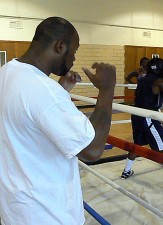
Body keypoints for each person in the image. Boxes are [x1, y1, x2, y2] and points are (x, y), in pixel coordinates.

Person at [0, 17, 116, 225]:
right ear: (60, 46)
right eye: (74, 50)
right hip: (48, 214)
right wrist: (107, 90)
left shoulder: (7, 73)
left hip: (16, 209)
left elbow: (29, 121)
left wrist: (62, 90)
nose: (73, 58)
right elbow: (92, 149)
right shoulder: (44, 91)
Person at [121, 57, 163, 193]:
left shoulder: (143, 78)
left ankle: (126, 171)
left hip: (137, 115)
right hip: (149, 118)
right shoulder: (158, 81)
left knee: (137, 144)